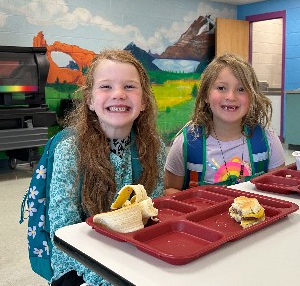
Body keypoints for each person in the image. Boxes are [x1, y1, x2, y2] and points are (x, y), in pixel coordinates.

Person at [49, 49, 166, 285]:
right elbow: (64, 232)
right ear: (90, 100)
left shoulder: (156, 149)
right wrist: (108, 278)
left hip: (134, 255)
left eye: (130, 87)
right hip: (77, 264)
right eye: (106, 86)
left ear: (143, 102)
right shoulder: (70, 150)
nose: (119, 94)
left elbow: (153, 214)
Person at [164, 53, 285, 195]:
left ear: (252, 97)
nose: (231, 97)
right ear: (205, 95)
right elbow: (169, 190)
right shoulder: (186, 143)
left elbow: (279, 191)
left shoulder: (267, 141)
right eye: (221, 88)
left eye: (241, 89)